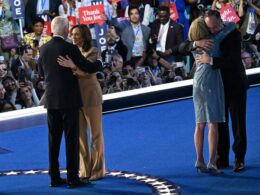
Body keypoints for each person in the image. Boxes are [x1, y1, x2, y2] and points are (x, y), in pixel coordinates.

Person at [179, 10, 249, 172]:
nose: (212, 30)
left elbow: (233, 61)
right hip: (214, 86)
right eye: (209, 27)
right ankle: (221, 158)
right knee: (219, 123)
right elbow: (182, 46)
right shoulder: (205, 36)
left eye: (215, 27)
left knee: (238, 124)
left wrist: (210, 60)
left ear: (220, 21)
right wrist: (196, 44)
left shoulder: (233, 34)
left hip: (234, 85)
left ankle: (239, 159)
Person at [38, 16, 102, 188]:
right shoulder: (70, 48)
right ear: (65, 30)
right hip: (69, 101)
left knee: (54, 140)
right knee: (71, 139)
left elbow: (41, 73)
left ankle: (55, 178)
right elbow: (89, 67)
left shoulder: (43, 49)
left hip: (51, 101)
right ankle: (73, 178)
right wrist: (100, 64)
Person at [58, 24, 106, 182]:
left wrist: (75, 68)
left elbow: (90, 70)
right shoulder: (70, 52)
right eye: (72, 34)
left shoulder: (93, 51)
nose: (74, 37)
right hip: (75, 98)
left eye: (77, 34)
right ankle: (85, 170)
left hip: (91, 97)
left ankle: (98, 170)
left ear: (85, 36)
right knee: (80, 136)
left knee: (95, 135)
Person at [189, 17, 236, 174]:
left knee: (199, 124)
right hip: (209, 82)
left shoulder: (196, 43)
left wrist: (196, 42)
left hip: (197, 82)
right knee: (213, 124)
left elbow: (183, 46)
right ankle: (212, 163)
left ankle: (199, 160)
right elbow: (231, 26)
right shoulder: (212, 41)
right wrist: (220, 22)